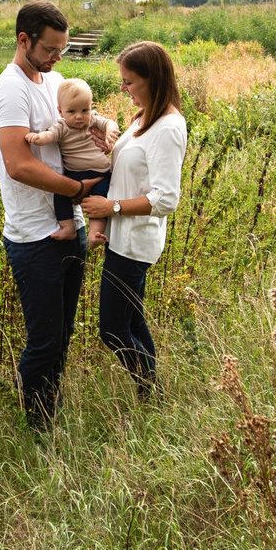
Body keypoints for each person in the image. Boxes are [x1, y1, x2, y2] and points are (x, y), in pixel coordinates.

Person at [0, 0, 94, 429]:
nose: (57, 58)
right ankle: (36, 430)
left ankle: (48, 415)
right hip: (35, 238)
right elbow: (18, 163)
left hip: (72, 229)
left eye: (63, 50)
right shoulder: (10, 88)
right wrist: (77, 190)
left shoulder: (51, 82)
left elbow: (72, 128)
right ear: (24, 40)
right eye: (51, 49)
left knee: (63, 336)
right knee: (45, 340)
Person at [80, 40, 187, 399]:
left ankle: (152, 390)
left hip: (135, 243)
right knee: (132, 321)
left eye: (129, 82)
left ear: (152, 78)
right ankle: (151, 397)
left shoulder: (169, 127)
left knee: (112, 329)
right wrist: (108, 149)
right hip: (121, 238)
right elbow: (132, 166)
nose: (123, 88)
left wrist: (111, 209)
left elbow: (166, 199)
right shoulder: (143, 118)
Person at [25, 77, 119, 245]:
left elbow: (109, 123)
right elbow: (51, 135)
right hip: (74, 174)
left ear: (91, 108)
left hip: (101, 173)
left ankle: (95, 234)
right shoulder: (62, 127)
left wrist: (110, 131)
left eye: (85, 110)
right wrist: (39, 138)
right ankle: (68, 228)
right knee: (60, 195)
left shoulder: (92, 120)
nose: (79, 116)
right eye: (72, 112)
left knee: (99, 202)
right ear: (61, 112)